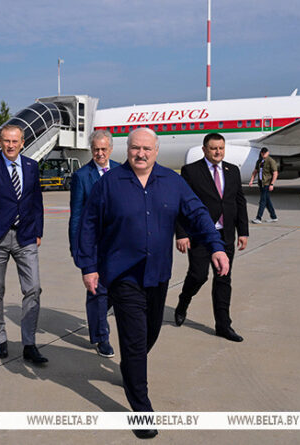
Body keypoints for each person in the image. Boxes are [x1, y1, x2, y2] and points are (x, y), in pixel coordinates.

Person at [77, 127, 229, 439]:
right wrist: (89, 267)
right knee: (134, 341)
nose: (141, 154)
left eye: (147, 148)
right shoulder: (109, 184)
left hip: (158, 274)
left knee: (150, 334)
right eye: (136, 148)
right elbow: (88, 225)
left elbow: (198, 214)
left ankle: (131, 367)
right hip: (123, 275)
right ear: (128, 149)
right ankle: (142, 409)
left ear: (156, 151)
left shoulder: (172, 182)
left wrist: (216, 245)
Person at [0, 124, 47, 364]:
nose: (11, 145)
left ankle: (29, 343)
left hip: (26, 236)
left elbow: (36, 202)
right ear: (0, 142)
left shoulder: (31, 166)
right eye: (6, 141)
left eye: (15, 141)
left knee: (33, 288)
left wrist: (38, 231)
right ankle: (0, 339)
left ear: (23, 143)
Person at [174, 133, 248, 342]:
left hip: (226, 234)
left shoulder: (232, 170)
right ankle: (183, 301)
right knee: (198, 276)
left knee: (223, 278)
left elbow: (239, 201)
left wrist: (243, 231)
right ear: (204, 149)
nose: (218, 152)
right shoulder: (191, 171)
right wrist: (182, 234)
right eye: (213, 148)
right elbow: (181, 204)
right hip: (201, 234)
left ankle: (223, 325)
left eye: (221, 148)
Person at [69, 129, 120, 358]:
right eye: (96, 149)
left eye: (103, 149)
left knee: (116, 291)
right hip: (95, 245)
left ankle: (96, 318)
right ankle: (101, 337)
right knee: (97, 290)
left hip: (119, 244)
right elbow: (76, 216)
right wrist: (77, 248)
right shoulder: (82, 176)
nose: (100, 153)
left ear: (111, 149)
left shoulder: (122, 171)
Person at [249, 147, 278, 223]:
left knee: (262, 201)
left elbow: (275, 173)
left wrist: (272, 184)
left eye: (265, 152)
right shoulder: (259, 161)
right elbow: (255, 171)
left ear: (268, 152)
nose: (264, 154)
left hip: (267, 183)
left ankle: (258, 218)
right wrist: (251, 180)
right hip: (261, 184)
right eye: (262, 153)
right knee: (267, 201)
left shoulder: (271, 161)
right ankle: (274, 217)